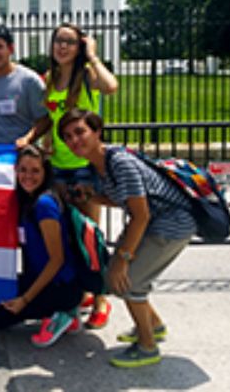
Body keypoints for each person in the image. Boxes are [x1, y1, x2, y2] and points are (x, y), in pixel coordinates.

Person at [59, 109, 196, 368]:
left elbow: (140, 214)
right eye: (68, 136)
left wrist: (124, 258)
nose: (75, 140)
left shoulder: (119, 162)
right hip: (154, 221)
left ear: (97, 131)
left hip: (169, 224)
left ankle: (147, 347)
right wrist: (91, 198)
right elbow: (124, 198)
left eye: (80, 132)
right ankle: (153, 325)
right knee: (118, 276)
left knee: (128, 280)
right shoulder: (100, 164)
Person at [21, 23, 119, 328]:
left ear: (79, 47)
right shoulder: (50, 80)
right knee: (69, 234)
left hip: (84, 166)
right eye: (58, 41)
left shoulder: (87, 76)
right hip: (58, 167)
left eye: (69, 42)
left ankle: (101, 300)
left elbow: (111, 86)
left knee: (90, 235)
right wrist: (29, 137)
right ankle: (81, 295)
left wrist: (92, 56)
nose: (62, 47)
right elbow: (50, 120)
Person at [0, 146, 83, 348]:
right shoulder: (26, 200)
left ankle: (63, 314)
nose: (28, 176)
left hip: (61, 286)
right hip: (40, 277)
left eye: (35, 171)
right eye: (23, 170)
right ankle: (57, 310)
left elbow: (57, 260)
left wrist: (25, 300)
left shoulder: (44, 205)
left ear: (45, 172)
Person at [0, 25, 47, 146]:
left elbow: (45, 119)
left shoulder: (29, 80)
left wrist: (27, 139)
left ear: (11, 49)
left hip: (21, 155)